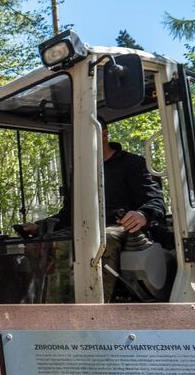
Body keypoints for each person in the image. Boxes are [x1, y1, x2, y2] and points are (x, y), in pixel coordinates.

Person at [22, 118, 165, 300]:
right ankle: (50, 309)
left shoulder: (133, 164)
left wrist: (142, 214)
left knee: (97, 241)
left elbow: (155, 200)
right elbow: (68, 215)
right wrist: (39, 226)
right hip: (84, 228)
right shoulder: (81, 173)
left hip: (119, 226)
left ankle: (93, 309)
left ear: (103, 134)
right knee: (38, 245)